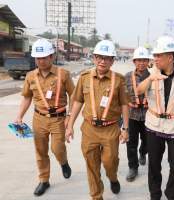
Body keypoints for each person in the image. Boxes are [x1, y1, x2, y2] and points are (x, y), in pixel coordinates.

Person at [65, 40, 129, 200]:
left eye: (107, 58)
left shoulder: (119, 80)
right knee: (92, 165)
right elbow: (78, 101)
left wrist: (126, 129)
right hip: (89, 129)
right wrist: (70, 125)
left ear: (112, 61)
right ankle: (96, 195)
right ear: (94, 58)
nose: (102, 61)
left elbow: (124, 105)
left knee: (110, 161)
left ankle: (112, 177)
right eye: (99, 57)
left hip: (111, 128)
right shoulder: (85, 77)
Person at [137, 36, 174, 200]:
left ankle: (171, 193)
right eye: (154, 55)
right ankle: (155, 195)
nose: (155, 59)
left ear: (170, 57)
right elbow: (138, 91)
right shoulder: (150, 73)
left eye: (158, 56)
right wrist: (150, 78)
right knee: (154, 166)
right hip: (154, 126)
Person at [14, 38, 74, 196]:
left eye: (44, 57)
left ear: (52, 57)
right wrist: (19, 116)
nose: (40, 61)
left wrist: (70, 116)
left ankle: (63, 162)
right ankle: (44, 180)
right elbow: (27, 97)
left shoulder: (64, 74)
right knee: (40, 151)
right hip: (39, 118)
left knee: (57, 148)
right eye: (37, 58)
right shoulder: (30, 76)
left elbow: (74, 96)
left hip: (58, 118)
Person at [124, 47, 150, 182]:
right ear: (134, 61)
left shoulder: (153, 76)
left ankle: (143, 152)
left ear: (148, 62)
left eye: (144, 60)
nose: (141, 63)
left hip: (148, 116)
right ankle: (133, 167)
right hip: (132, 115)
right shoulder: (127, 76)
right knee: (131, 143)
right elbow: (122, 98)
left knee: (147, 141)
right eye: (139, 60)